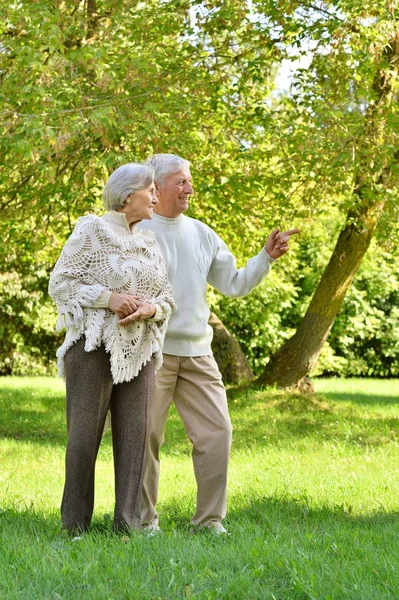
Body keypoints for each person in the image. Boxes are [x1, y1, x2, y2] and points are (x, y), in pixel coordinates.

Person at [138, 153, 299, 534]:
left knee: (218, 433)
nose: (189, 189)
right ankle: (143, 522)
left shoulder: (201, 233)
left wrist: (266, 257)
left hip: (197, 352)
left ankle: (209, 521)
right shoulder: (137, 231)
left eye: (189, 181)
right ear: (156, 188)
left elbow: (235, 284)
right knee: (144, 436)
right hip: (151, 352)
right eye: (181, 181)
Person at [48, 162, 175, 534]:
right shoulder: (92, 230)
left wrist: (149, 308)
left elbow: (167, 298)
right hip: (92, 347)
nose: (156, 196)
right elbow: (61, 284)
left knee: (135, 437)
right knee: (84, 438)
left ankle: (129, 525)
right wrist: (110, 298)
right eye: (150, 189)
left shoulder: (150, 242)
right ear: (127, 194)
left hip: (141, 351)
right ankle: (74, 526)